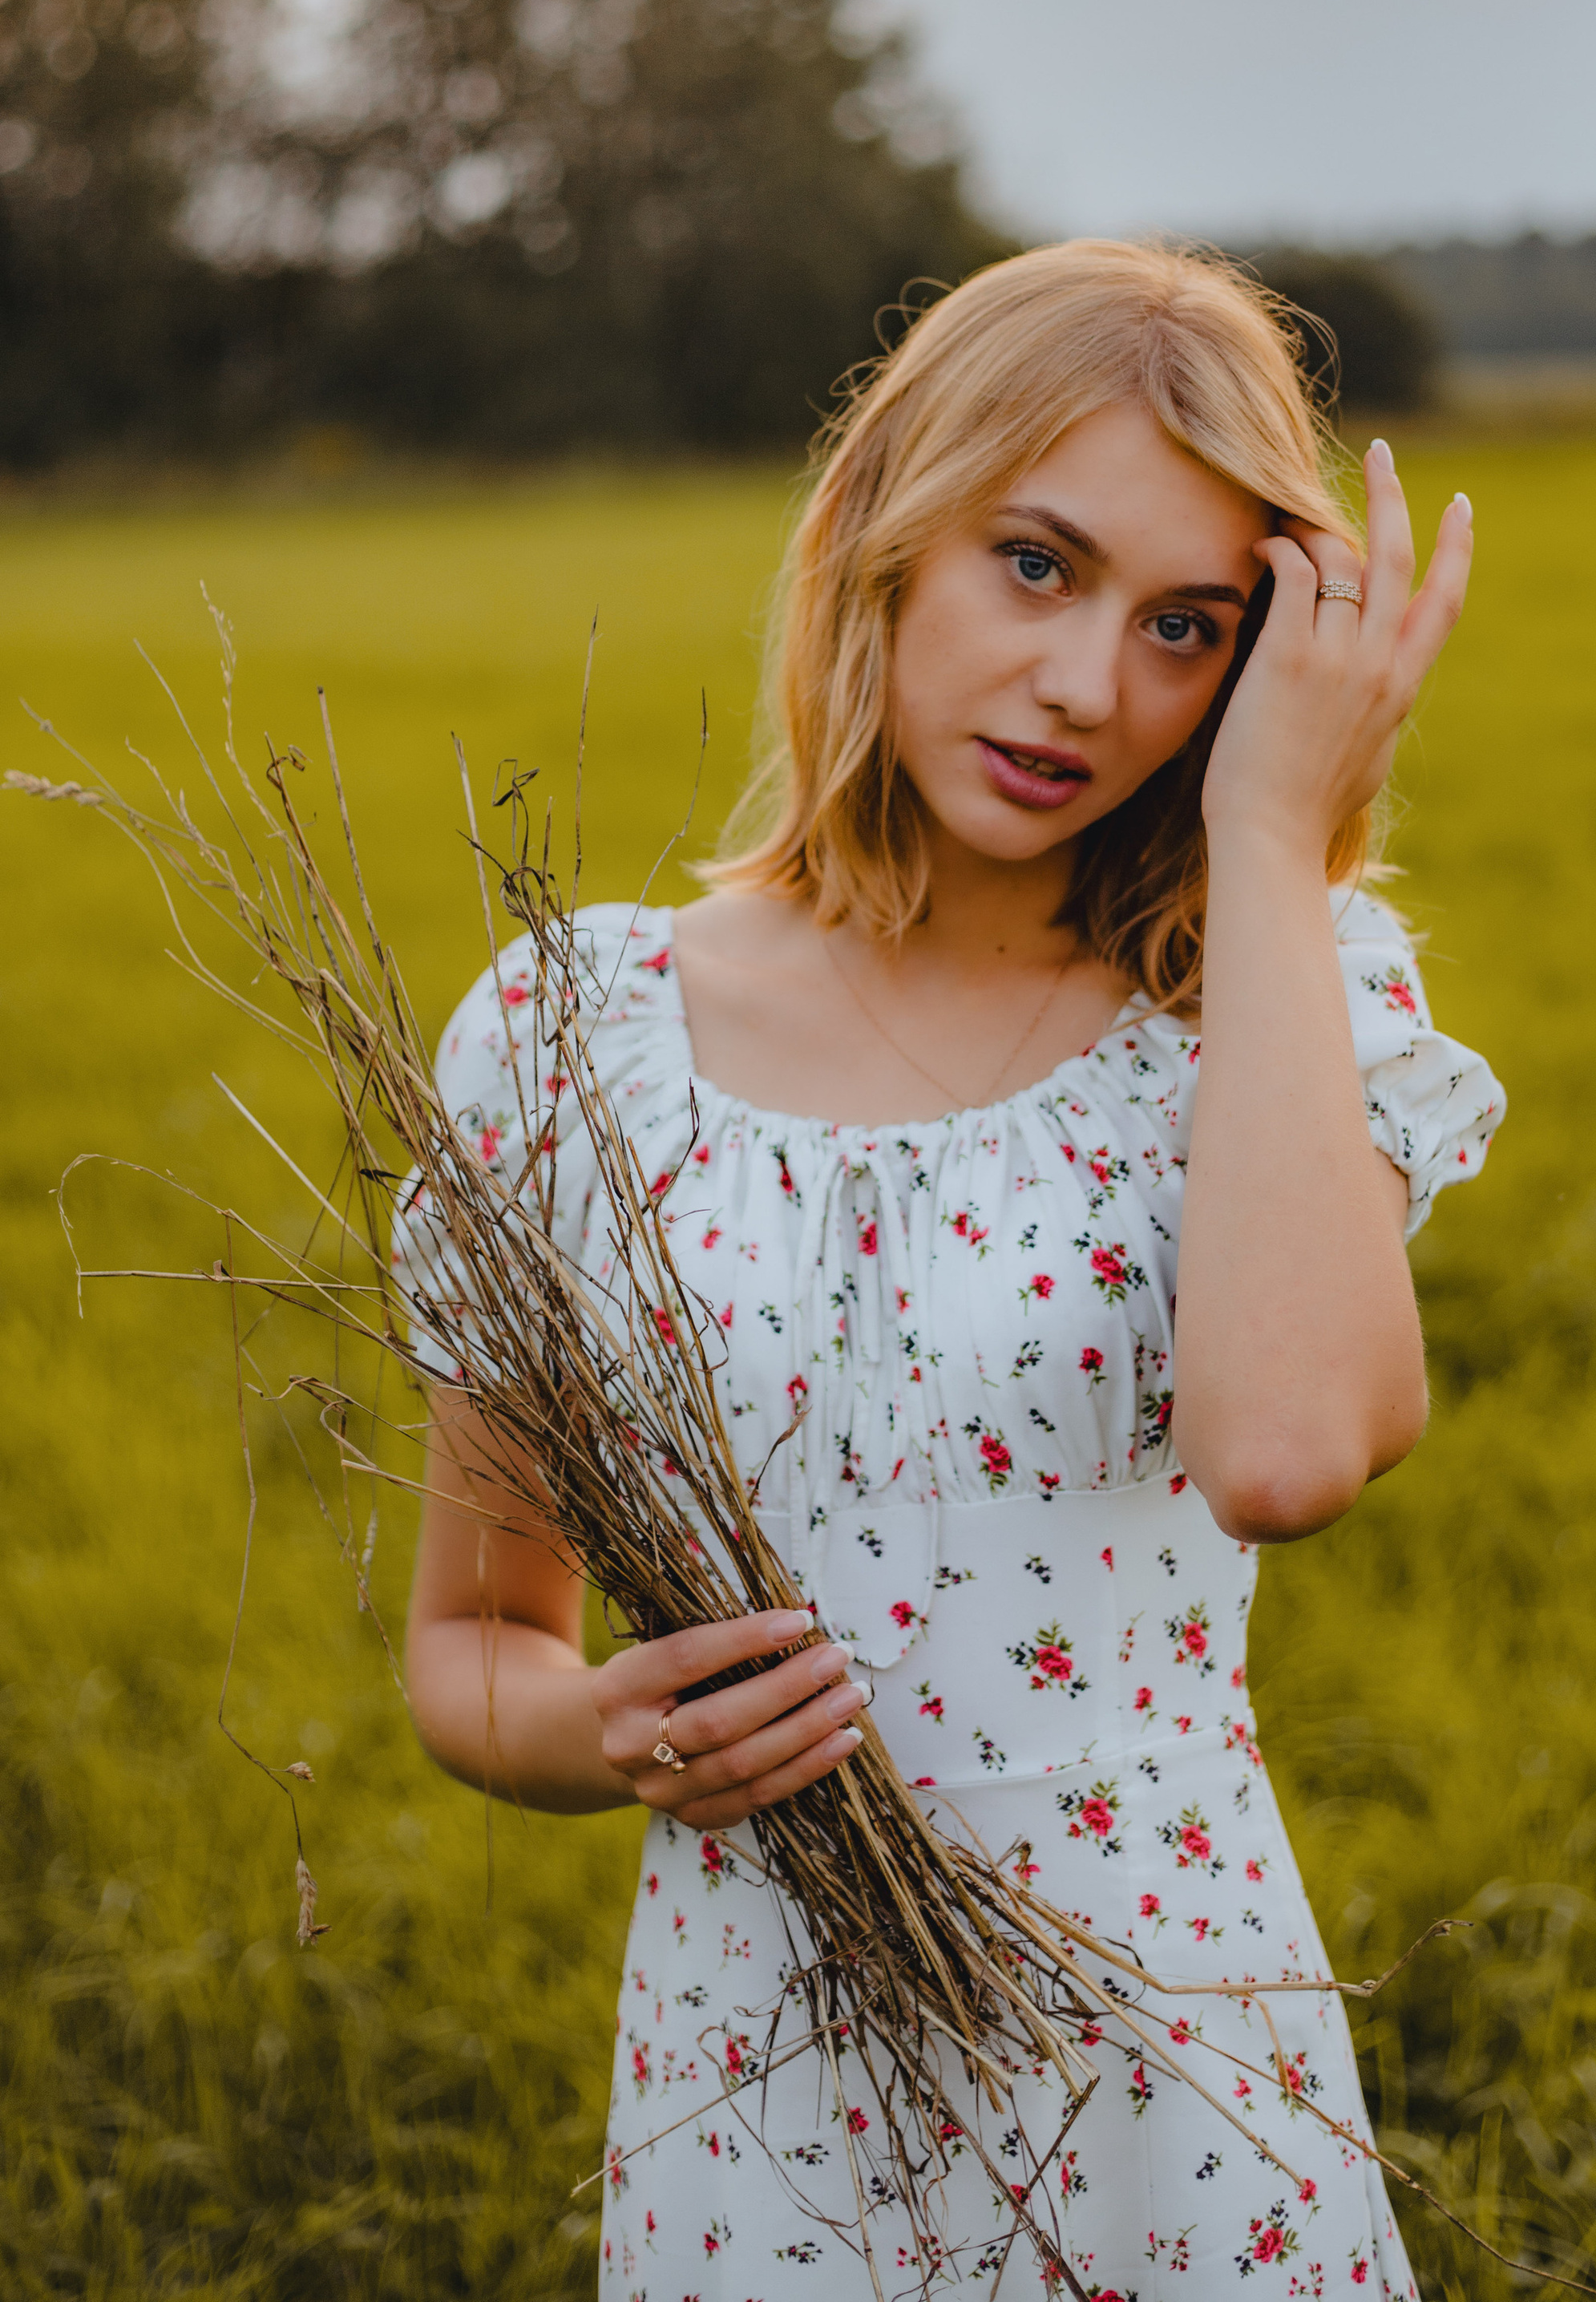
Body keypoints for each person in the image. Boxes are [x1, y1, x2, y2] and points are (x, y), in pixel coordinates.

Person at [402, 237, 1505, 2298]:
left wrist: (1273, 843)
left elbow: (1282, 1455)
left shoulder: (1266, 1004)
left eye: (1183, 627)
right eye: (1035, 564)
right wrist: (608, 1736)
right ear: (882, 532)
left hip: (1172, 2056)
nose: (1088, 685)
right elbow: (474, 1639)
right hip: (760, 2069)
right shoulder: (570, 1042)